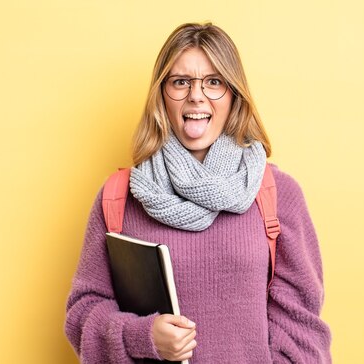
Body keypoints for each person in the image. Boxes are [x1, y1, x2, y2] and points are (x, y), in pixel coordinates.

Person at [65, 22, 332, 363]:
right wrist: (142, 337)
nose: (196, 95)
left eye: (214, 82)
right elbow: (83, 314)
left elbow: (303, 328)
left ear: (234, 94)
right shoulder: (120, 197)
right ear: (162, 94)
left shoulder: (278, 194)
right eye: (180, 82)